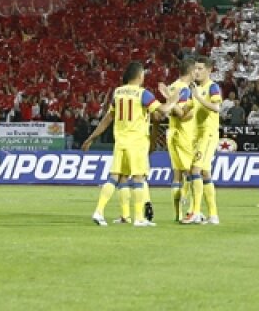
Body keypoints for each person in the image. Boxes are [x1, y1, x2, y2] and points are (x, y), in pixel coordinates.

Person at [81, 61, 169, 227]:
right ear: (140, 75)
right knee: (138, 178)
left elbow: (107, 119)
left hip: (120, 141)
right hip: (137, 142)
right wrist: (172, 99)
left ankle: (99, 212)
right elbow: (163, 111)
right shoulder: (143, 94)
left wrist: (91, 137)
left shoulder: (118, 93)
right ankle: (138, 219)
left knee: (116, 177)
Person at [183, 56, 223, 225]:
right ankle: (213, 215)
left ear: (209, 70)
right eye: (195, 68)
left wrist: (199, 97)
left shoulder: (212, 87)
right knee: (205, 173)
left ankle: (196, 212)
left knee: (195, 170)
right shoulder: (197, 89)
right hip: (198, 135)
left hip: (208, 135)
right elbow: (188, 110)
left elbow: (216, 108)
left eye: (200, 68)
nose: (196, 72)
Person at [159, 56, 197, 221]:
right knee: (191, 172)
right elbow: (181, 114)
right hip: (183, 134)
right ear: (190, 71)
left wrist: (168, 97)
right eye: (195, 69)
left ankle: (178, 214)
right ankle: (191, 212)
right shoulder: (184, 89)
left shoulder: (172, 86)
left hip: (171, 133)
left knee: (177, 174)